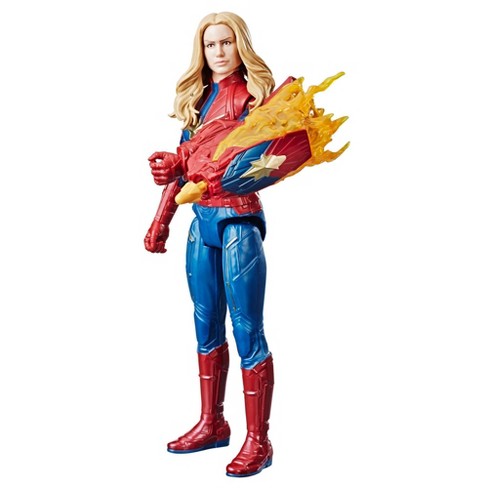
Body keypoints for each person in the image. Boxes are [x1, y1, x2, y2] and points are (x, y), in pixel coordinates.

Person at [144, 12, 276, 478]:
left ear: (240, 45)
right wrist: (160, 220)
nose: (219, 52)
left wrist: (190, 162)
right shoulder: (198, 102)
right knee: (205, 326)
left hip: (238, 219)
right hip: (201, 223)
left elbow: (261, 161)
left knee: (247, 329)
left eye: (226, 42)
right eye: (210, 44)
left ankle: (258, 440)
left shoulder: (255, 100)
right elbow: (182, 171)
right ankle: (212, 422)